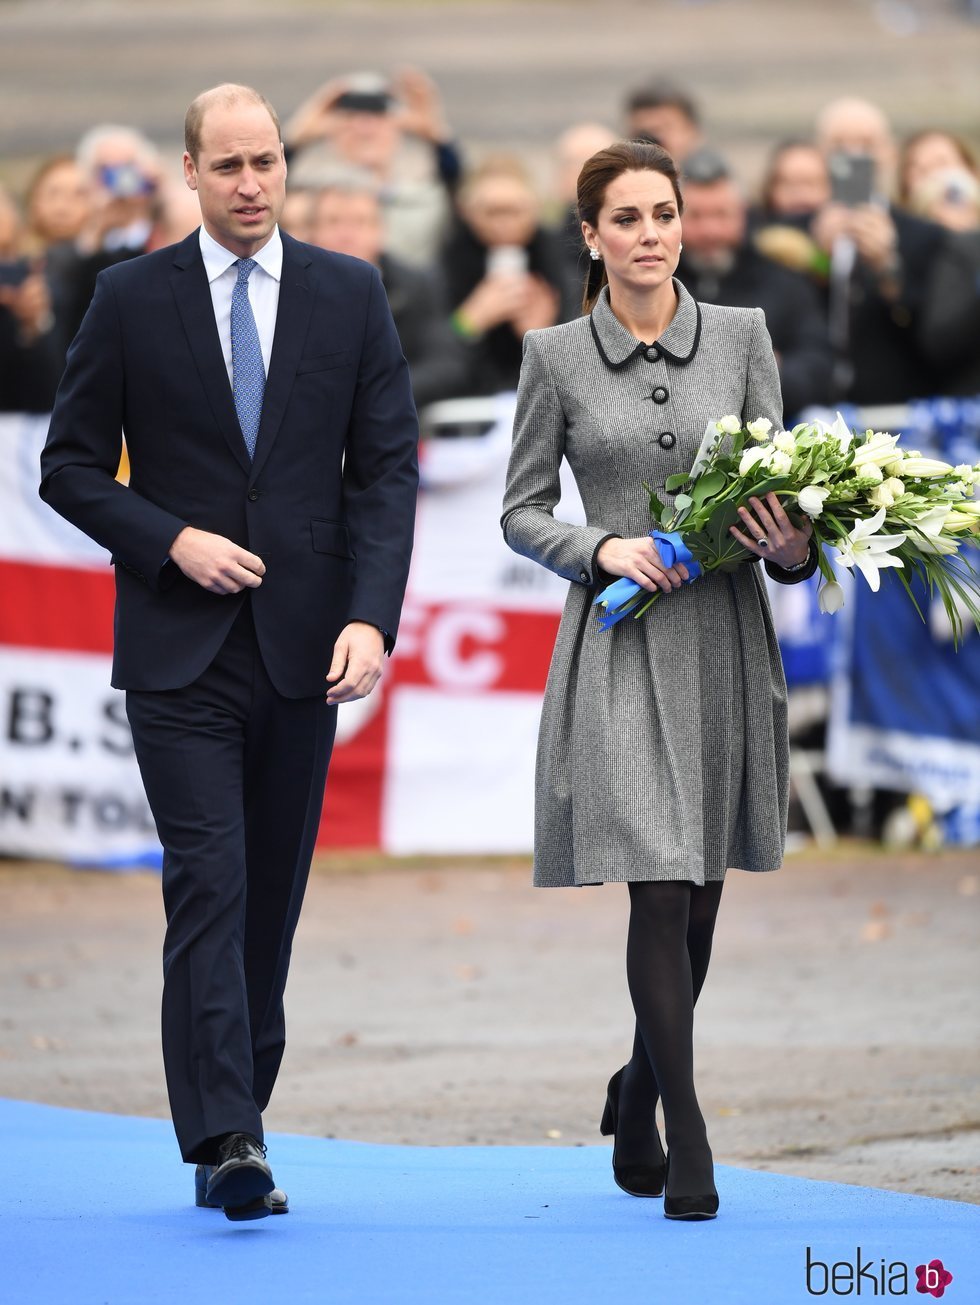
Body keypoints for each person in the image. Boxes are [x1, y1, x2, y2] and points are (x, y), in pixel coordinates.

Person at [39, 84, 419, 1221]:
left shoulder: (348, 292)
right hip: (179, 653)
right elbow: (66, 465)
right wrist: (170, 540)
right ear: (192, 174)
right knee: (210, 882)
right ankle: (229, 1136)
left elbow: (385, 471)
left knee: (270, 901)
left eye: (267, 162)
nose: (251, 183)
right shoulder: (128, 297)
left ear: (284, 170)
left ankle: (235, 1109)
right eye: (230, 165)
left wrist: (370, 618)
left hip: (307, 650)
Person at [501, 140, 816, 1222]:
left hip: (724, 633)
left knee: (702, 903)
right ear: (589, 237)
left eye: (663, 214)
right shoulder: (551, 356)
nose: (649, 234)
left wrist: (788, 546)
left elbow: (784, 497)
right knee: (659, 885)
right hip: (622, 642)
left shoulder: (742, 338)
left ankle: (635, 1090)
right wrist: (594, 549)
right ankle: (686, 1129)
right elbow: (521, 508)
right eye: (625, 218)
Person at [676, 149, 831, 418]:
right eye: (696, 216)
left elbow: (819, 365)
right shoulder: (653, 285)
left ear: (743, 214)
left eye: (721, 215)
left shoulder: (785, 282)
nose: (710, 231)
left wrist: (771, 370)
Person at [810, 96, 945, 404]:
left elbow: (938, 334)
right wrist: (818, 259)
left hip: (897, 405)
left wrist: (887, 266)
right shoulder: (799, 228)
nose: (855, 155)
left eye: (867, 144)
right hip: (815, 405)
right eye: (839, 145)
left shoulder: (922, 234)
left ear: (889, 153)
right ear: (821, 154)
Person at [309, 170, 470, 408]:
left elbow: (446, 363)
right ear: (312, 231)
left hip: (390, 420)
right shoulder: (290, 286)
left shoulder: (417, 285)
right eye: (333, 222)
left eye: (360, 222)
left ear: (380, 230)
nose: (346, 235)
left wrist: (379, 393)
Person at [282, 67, 462, 266]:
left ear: (400, 127)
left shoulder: (423, 200)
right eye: (350, 118)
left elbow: (462, 192)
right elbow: (267, 188)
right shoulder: (307, 197)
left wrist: (436, 135)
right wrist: (294, 138)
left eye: (378, 118)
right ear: (330, 129)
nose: (364, 129)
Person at [442, 155, 575, 395]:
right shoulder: (450, 259)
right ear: (467, 212)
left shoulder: (557, 256)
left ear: (535, 209)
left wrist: (543, 335)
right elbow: (427, 352)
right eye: (492, 212)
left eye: (514, 211)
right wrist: (468, 322)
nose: (503, 223)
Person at [623, 83, 704, 163]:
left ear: (691, 131)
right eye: (642, 131)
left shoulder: (712, 173)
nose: (652, 139)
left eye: (664, 128)